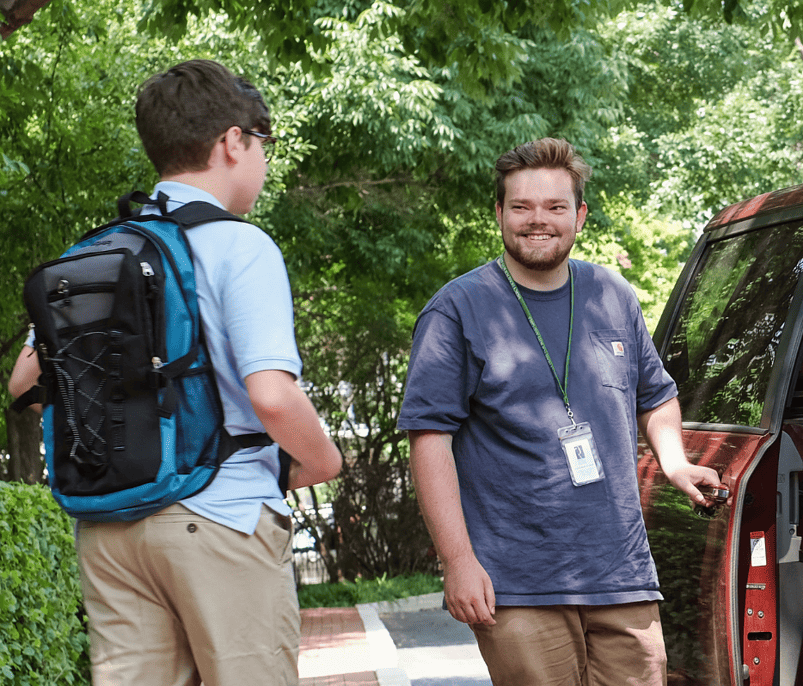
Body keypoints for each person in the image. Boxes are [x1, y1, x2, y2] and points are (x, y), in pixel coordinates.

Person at [8, 59, 342, 686]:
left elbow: (23, 385)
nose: (263, 161)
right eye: (261, 143)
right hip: (220, 517)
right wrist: (325, 461)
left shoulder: (95, 252)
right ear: (233, 141)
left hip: (109, 532)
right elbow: (271, 396)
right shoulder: (242, 246)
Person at [397, 137, 723, 685]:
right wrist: (458, 561)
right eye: (521, 207)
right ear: (499, 212)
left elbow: (655, 392)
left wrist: (674, 461)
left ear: (580, 215)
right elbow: (429, 441)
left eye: (555, 207)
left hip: (622, 574)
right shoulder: (457, 309)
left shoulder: (611, 294)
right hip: (516, 582)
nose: (537, 221)